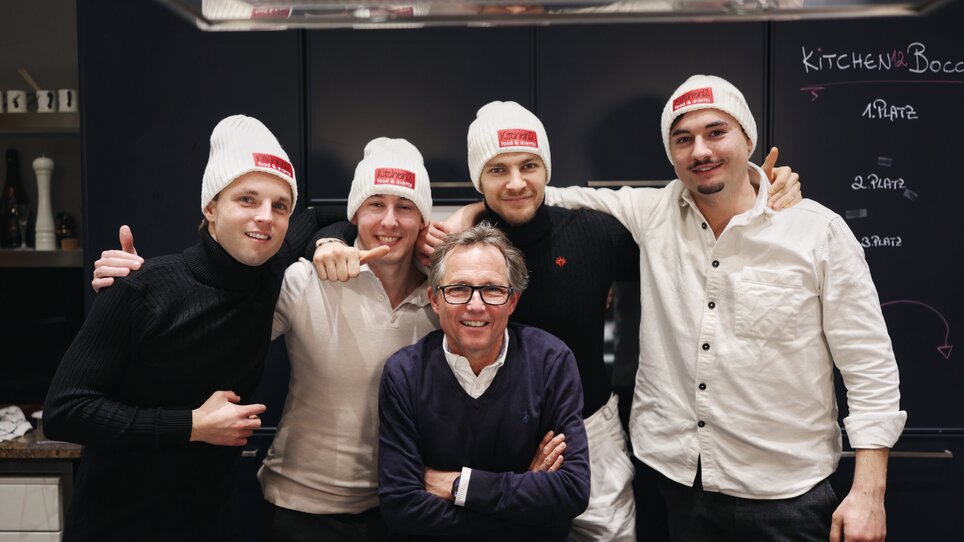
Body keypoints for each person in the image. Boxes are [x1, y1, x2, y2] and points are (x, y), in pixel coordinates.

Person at [313, 100, 801, 541]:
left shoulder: (598, 232)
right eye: (497, 170)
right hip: (486, 433)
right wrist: (330, 239)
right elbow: (378, 222)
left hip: (588, 429)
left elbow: (699, 227)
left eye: (529, 166)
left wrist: (758, 189)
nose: (517, 182)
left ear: (547, 169)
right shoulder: (447, 245)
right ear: (477, 180)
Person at [543, 74, 905, 542]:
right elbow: (537, 194)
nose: (700, 151)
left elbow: (870, 366)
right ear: (671, 153)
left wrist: (869, 494)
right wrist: (469, 213)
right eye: (683, 139)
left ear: (748, 139)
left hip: (786, 494)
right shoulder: (652, 213)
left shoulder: (817, 232)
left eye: (716, 132)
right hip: (675, 480)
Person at [44, 115, 308, 541]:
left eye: (280, 206)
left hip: (208, 524)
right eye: (247, 199)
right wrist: (192, 425)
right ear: (210, 207)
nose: (266, 217)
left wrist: (333, 242)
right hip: (119, 525)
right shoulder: (141, 288)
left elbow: (320, 221)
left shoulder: (269, 270)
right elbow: (64, 412)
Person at [259, 138, 441, 541]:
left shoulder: (443, 300)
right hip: (300, 508)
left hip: (401, 509)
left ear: (423, 221)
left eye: (406, 207)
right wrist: (146, 288)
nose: (390, 222)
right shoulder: (306, 279)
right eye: (376, 204)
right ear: (355, 213)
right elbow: (220, 334)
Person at [377, 223, 590, 541]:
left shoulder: (551, 361)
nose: (476, 305)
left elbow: (572, 491)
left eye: (492, 289)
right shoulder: (404, 373)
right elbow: (401, 508)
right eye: (459, 289)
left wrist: (458, 486)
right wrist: (526, 504)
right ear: (435, 300)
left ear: (513, 301)